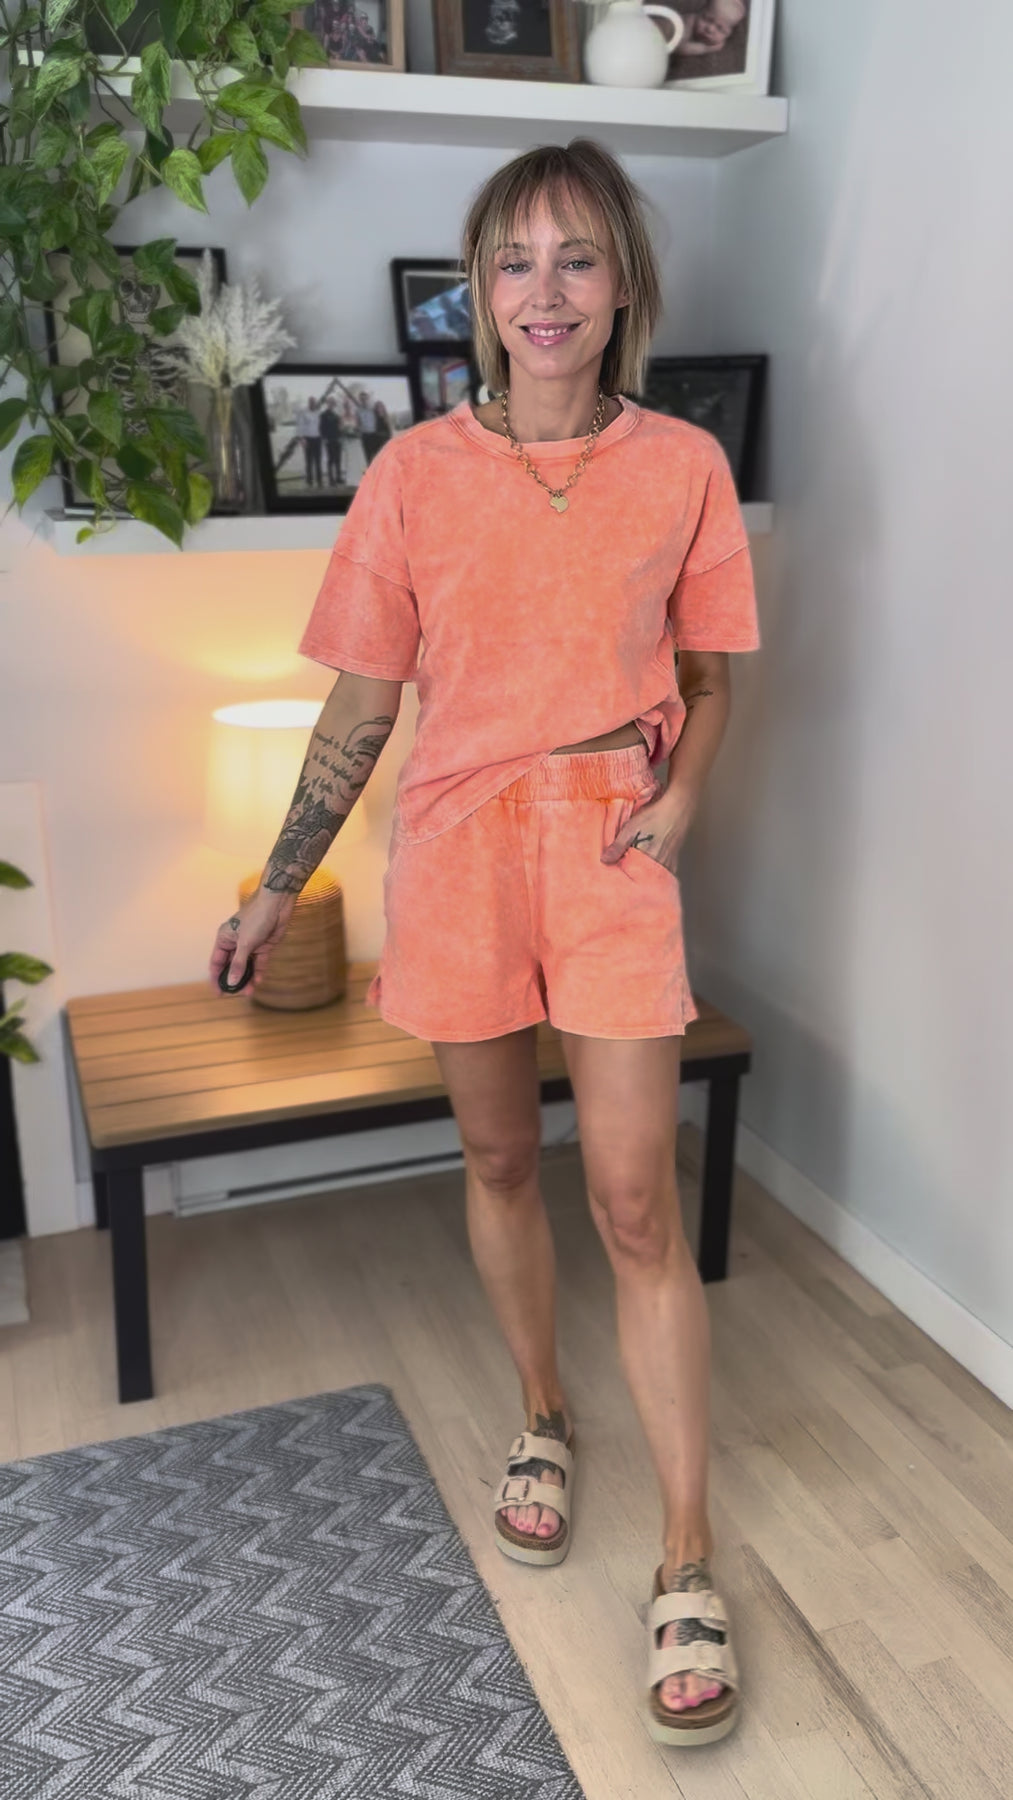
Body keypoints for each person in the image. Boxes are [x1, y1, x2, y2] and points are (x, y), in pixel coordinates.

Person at [209, 137, 760, 1748]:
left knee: (635, 1198)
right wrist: (275, 883)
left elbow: (709, 677)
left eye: (576, 257)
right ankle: (541, 1412)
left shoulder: (682, 466)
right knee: (502, 1157)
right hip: (457, 846)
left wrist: (682, 801)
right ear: (477, 289)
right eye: (513, 261)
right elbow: (362, 698)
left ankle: (685, 1553)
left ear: (622, 284)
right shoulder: (411, 474)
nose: (544, 291)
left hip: (608, 843)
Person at [295, 395, 322, 488]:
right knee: (309, 461)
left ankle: (319, 481)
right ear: (309, 403)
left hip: (317, 439)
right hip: (307, 439)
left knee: (318, 461)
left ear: (315, 403)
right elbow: (300, 426)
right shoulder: (304, 412)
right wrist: (302, 438)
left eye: (314, 402)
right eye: (311, 402)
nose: (313, 404)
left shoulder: (318, 413)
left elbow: (320, 426)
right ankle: (309, 481)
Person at [319, 398, 343, 485]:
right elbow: (322, 428)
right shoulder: (323, 415)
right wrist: (324, 439)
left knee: (338, 459)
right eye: (330, 403)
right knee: (331, 459)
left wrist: (340, 436)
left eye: (333, 403)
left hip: (337, 439)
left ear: (334, 404)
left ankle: (338, 477)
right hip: (329, 440)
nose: (331, 404)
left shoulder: (336, 414)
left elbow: (339, 427)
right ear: (327, 404)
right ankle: (331, 479)